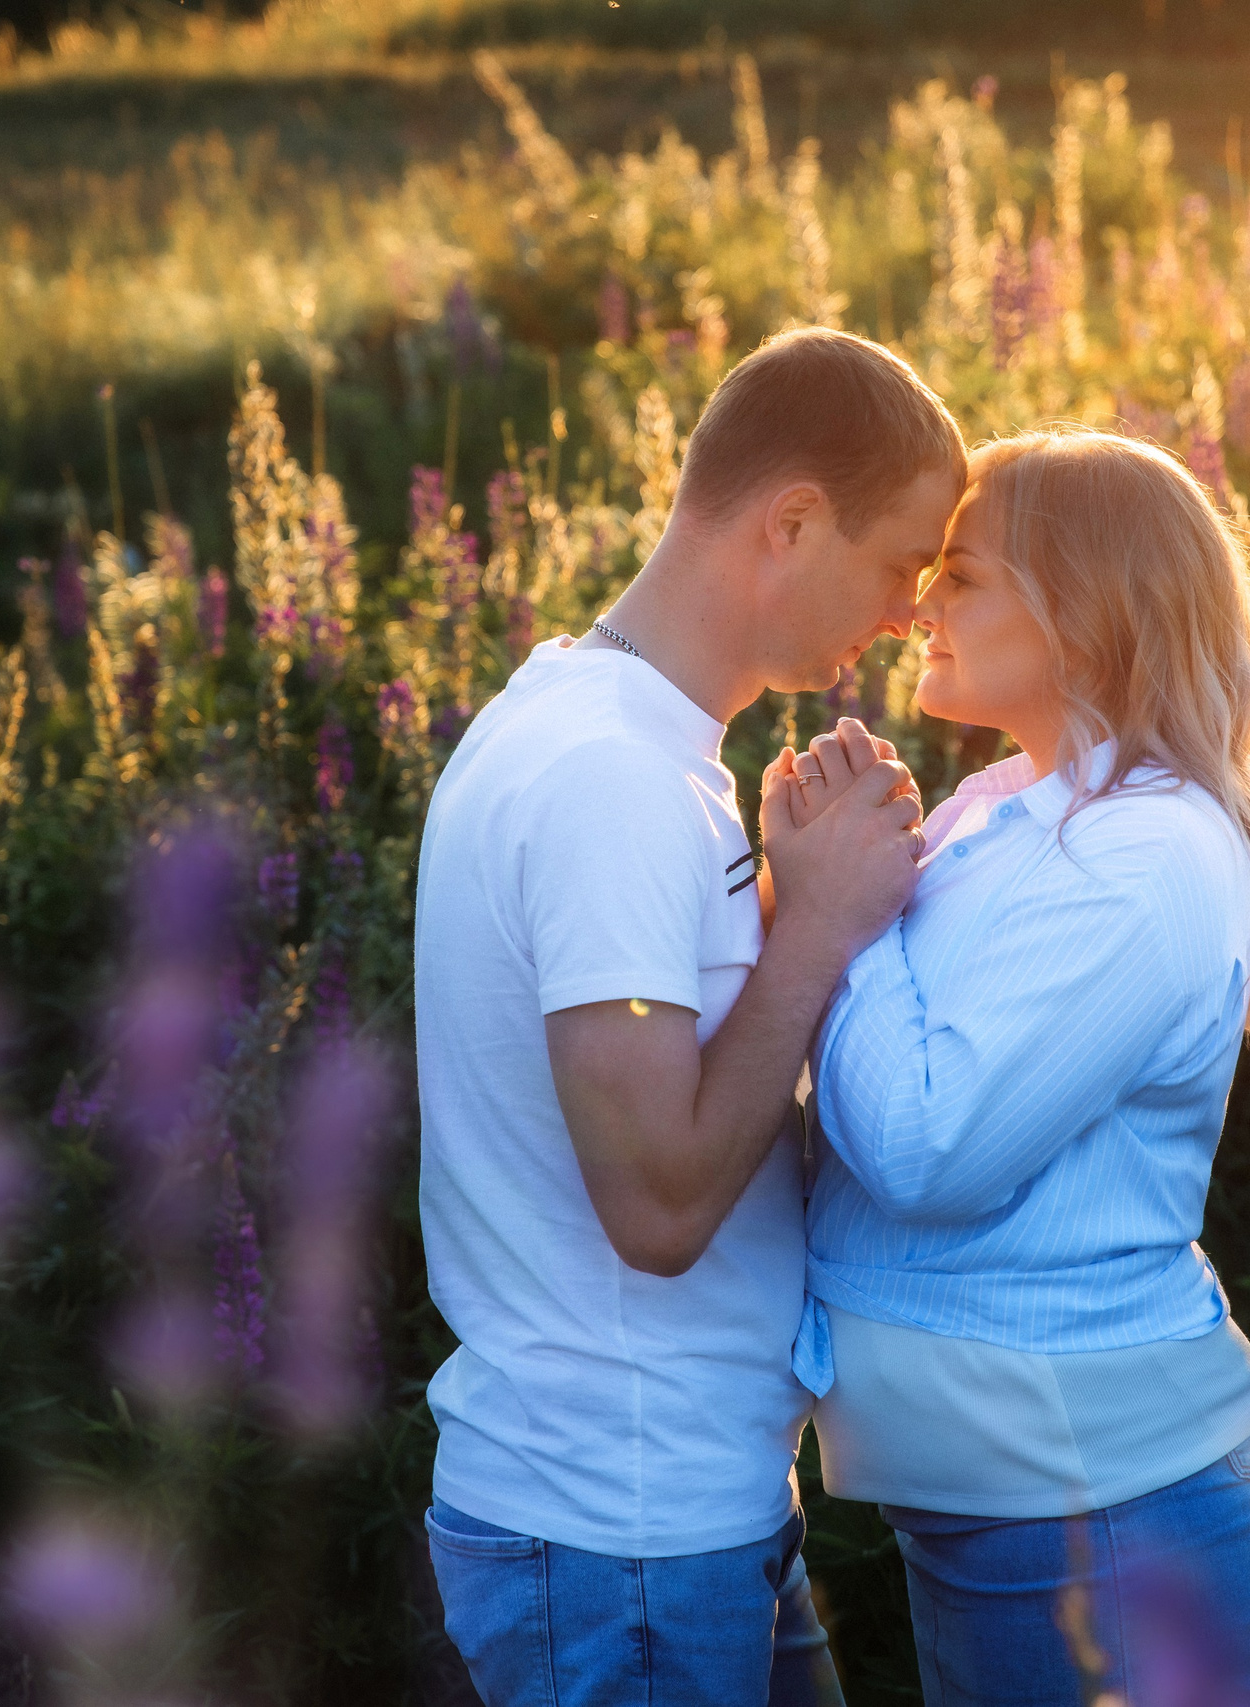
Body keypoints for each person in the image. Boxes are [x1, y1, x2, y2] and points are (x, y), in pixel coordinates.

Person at [413, 326, 964, 1707]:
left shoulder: (628, 744)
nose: (910, 610)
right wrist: (822, 927)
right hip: (619, 1539)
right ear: (792, 519)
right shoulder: (609, 780)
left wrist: (784, 903)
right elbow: (656, 1203)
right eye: (902, 560)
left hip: (675, 1517)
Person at [784, 427, 1250, 1706]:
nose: (921, 598)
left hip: (1095, 1501)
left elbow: (925, 1145)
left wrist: (835, 921)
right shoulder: (995, 809)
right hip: (1011, 1486)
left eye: (963, 574)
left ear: (1086, 615)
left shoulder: (1154, 855)